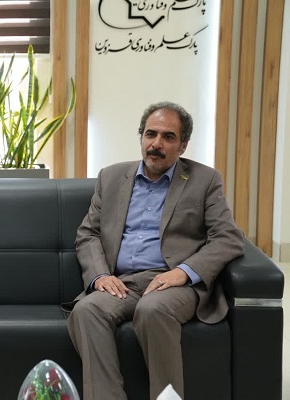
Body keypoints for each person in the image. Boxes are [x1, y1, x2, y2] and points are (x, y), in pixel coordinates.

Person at [67, 101, 245, 400]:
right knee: (87, 311)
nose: (156, 144)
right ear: (142, 137)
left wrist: (183, 272)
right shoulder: (111, 177)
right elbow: (88, 233)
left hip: (172, 283)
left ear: (183, 145)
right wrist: (99, 275)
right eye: (150, 134)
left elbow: (228, 238)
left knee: (153, 310)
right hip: (122, 283)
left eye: (168, 137)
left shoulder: (204, 180)